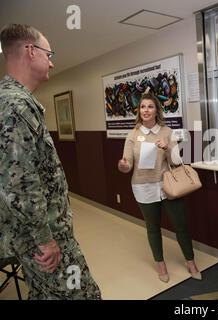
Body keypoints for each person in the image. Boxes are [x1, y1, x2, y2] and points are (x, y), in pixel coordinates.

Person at [0, 24, 101, 299]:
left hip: (34, 237)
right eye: (49, 54)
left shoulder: (15, 101)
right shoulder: (15, 105)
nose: (52, 62)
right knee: (84, 295)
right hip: (45, 242)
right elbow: (18, 185)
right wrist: (45, 239)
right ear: (30, 51)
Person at [117, 93, 201, 283]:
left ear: (156, 110)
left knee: (181, 225)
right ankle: (161, 265)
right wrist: (123, 165)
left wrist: (169, 148)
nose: (145, 110)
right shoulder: (133, 135)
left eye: (150, 107)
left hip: (168, 185)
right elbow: (127, 163)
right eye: (142, 107)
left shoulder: (166, 131)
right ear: (139, 111)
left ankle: (190, 262)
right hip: (143, 187)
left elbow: (177, 161)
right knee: (153, 228)